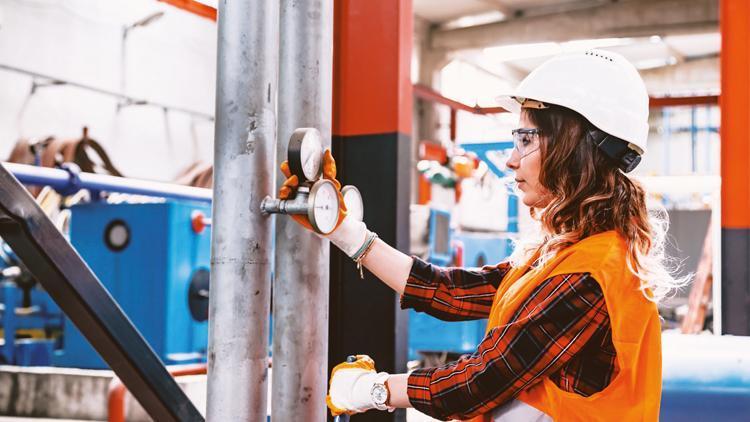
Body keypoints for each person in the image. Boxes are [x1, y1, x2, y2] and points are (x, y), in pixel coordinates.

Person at [278, 49, 684, 421]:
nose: (510, 160)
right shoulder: (567, 254)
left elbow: (480, 383)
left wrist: (371, 389)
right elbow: (452, 292)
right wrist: (347, 232)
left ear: (571, 147)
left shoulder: (590, 274)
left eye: (526, 140)